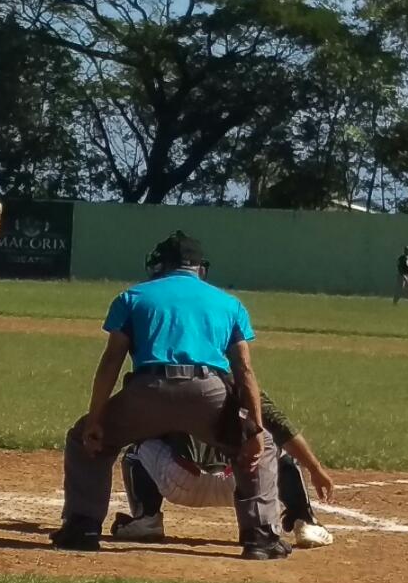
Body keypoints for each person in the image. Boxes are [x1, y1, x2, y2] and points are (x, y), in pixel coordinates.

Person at [52, 230, 289, 559]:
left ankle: (82, 527)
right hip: (209, 392)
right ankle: (260, 536)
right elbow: (245, 372)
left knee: (84, 440)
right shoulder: (229, 303)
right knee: (257, 451)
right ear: (199, 268)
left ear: (161, 265)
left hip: (148, 389)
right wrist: (255, 430)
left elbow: (110, 363)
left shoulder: (132, 297)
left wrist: (96, 420)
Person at [112, 389, 336, 549]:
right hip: (240, 483)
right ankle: (305, 522)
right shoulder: (241, 385)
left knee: (136, 450)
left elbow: (132, 429)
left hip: (179, 481)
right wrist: (315, 469)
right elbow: (285, 430)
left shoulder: (165, 386)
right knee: (276, 447)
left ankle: (146, 518)